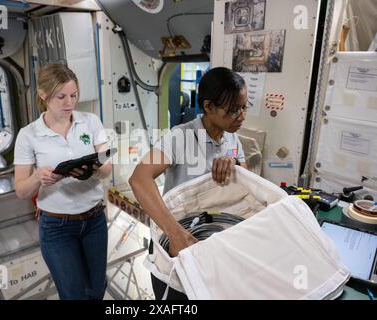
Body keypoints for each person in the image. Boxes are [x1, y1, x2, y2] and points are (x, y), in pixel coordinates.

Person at [129, 67, 248, 300]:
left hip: (213, 246)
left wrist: (232, 161)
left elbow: (245, 179)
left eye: (244, 107)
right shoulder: (179, 137)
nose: (241, 116)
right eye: (233, 110)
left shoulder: (232, 137)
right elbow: (139, 179)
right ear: (208, 107)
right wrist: (176, 234)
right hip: (178, 245)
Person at [13, 64, 112, 300]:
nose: (69, 103)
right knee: (74, 294)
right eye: (61, 97)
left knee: (97, 289)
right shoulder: (28, 135)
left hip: (95, 220)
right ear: (43, 95)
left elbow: (108, 167)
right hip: (57, 228)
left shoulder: (91, 122)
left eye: (74, 95)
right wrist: (38, 177)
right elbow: (21, 191)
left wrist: (93, 172)